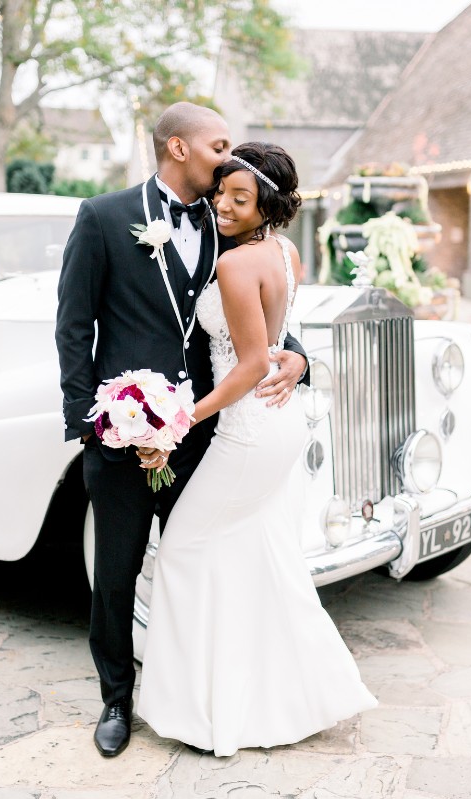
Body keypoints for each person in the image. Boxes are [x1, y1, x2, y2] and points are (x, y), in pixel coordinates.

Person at [55, 103, 310, 759]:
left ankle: (198, 692)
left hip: (206, 437)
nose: (228, 159)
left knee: (202, 566)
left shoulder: (229, 216)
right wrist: (92, 422)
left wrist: (302, 359)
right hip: (123, 433)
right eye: (218, 145)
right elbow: (73, 328)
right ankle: (117, 700)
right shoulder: (104, 218)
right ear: (177, 147)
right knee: (114, 575)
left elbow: (257, 316)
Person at [137, 143, 377, 757]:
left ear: (268, 205)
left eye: (239, 200)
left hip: (249, 427)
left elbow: (247, 365)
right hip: (281, 420)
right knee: (258, 555)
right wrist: (290, 356)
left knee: (184, 551)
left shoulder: (236, 267)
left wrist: (180, 422)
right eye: (221, 193)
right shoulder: (284, 252)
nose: (222, 205)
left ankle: (203, 705)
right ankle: (281, 699)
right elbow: (272, 343)